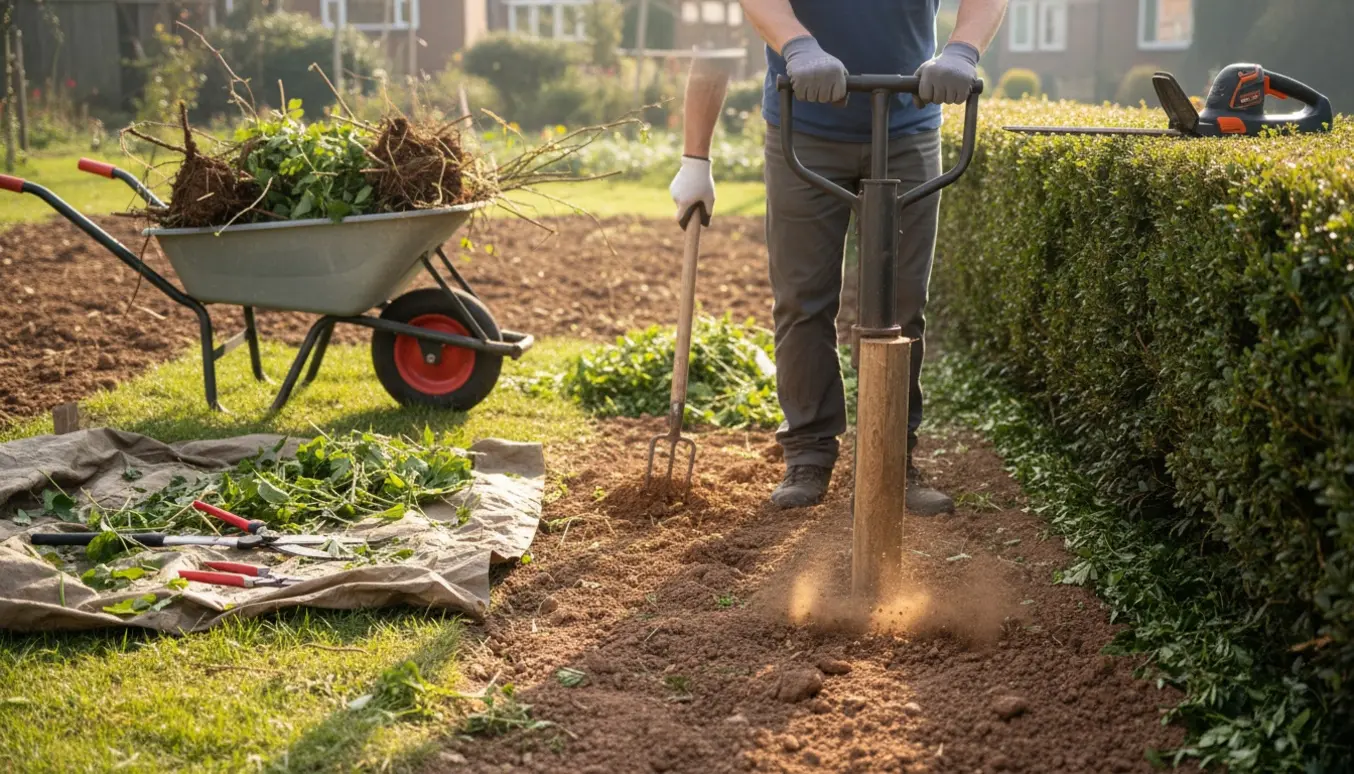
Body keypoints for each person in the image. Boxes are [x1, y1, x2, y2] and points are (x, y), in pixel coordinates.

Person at [670, 0, 1008, 514]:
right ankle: (809, 453)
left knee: (902, 304)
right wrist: (798, 46)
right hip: (803, 128)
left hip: (908, 126)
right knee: (803, 299)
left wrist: (961, 52)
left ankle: (893, 457)